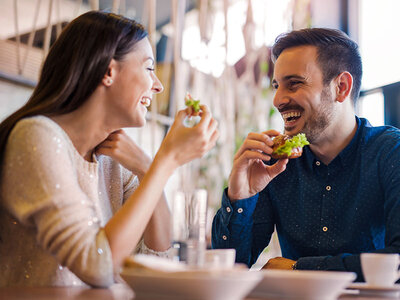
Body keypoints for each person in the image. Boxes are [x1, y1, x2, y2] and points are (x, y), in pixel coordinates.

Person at [0, 11, 219, 287]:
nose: (159, 85)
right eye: (149, 68)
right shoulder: (35, 136)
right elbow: (98, 266)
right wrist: (167, 160)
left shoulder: (113, 161)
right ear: (108, 71)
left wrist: (148, 167)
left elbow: (157, 261)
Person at [212, 27, 400, 281]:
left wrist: (299, 269)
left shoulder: (391, 152)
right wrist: (240, 197)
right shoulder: (273, 165)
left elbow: (397, 262)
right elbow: (229, 270)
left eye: (294, 84)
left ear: (341, 87)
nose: (278, 99)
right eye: (277, 86)